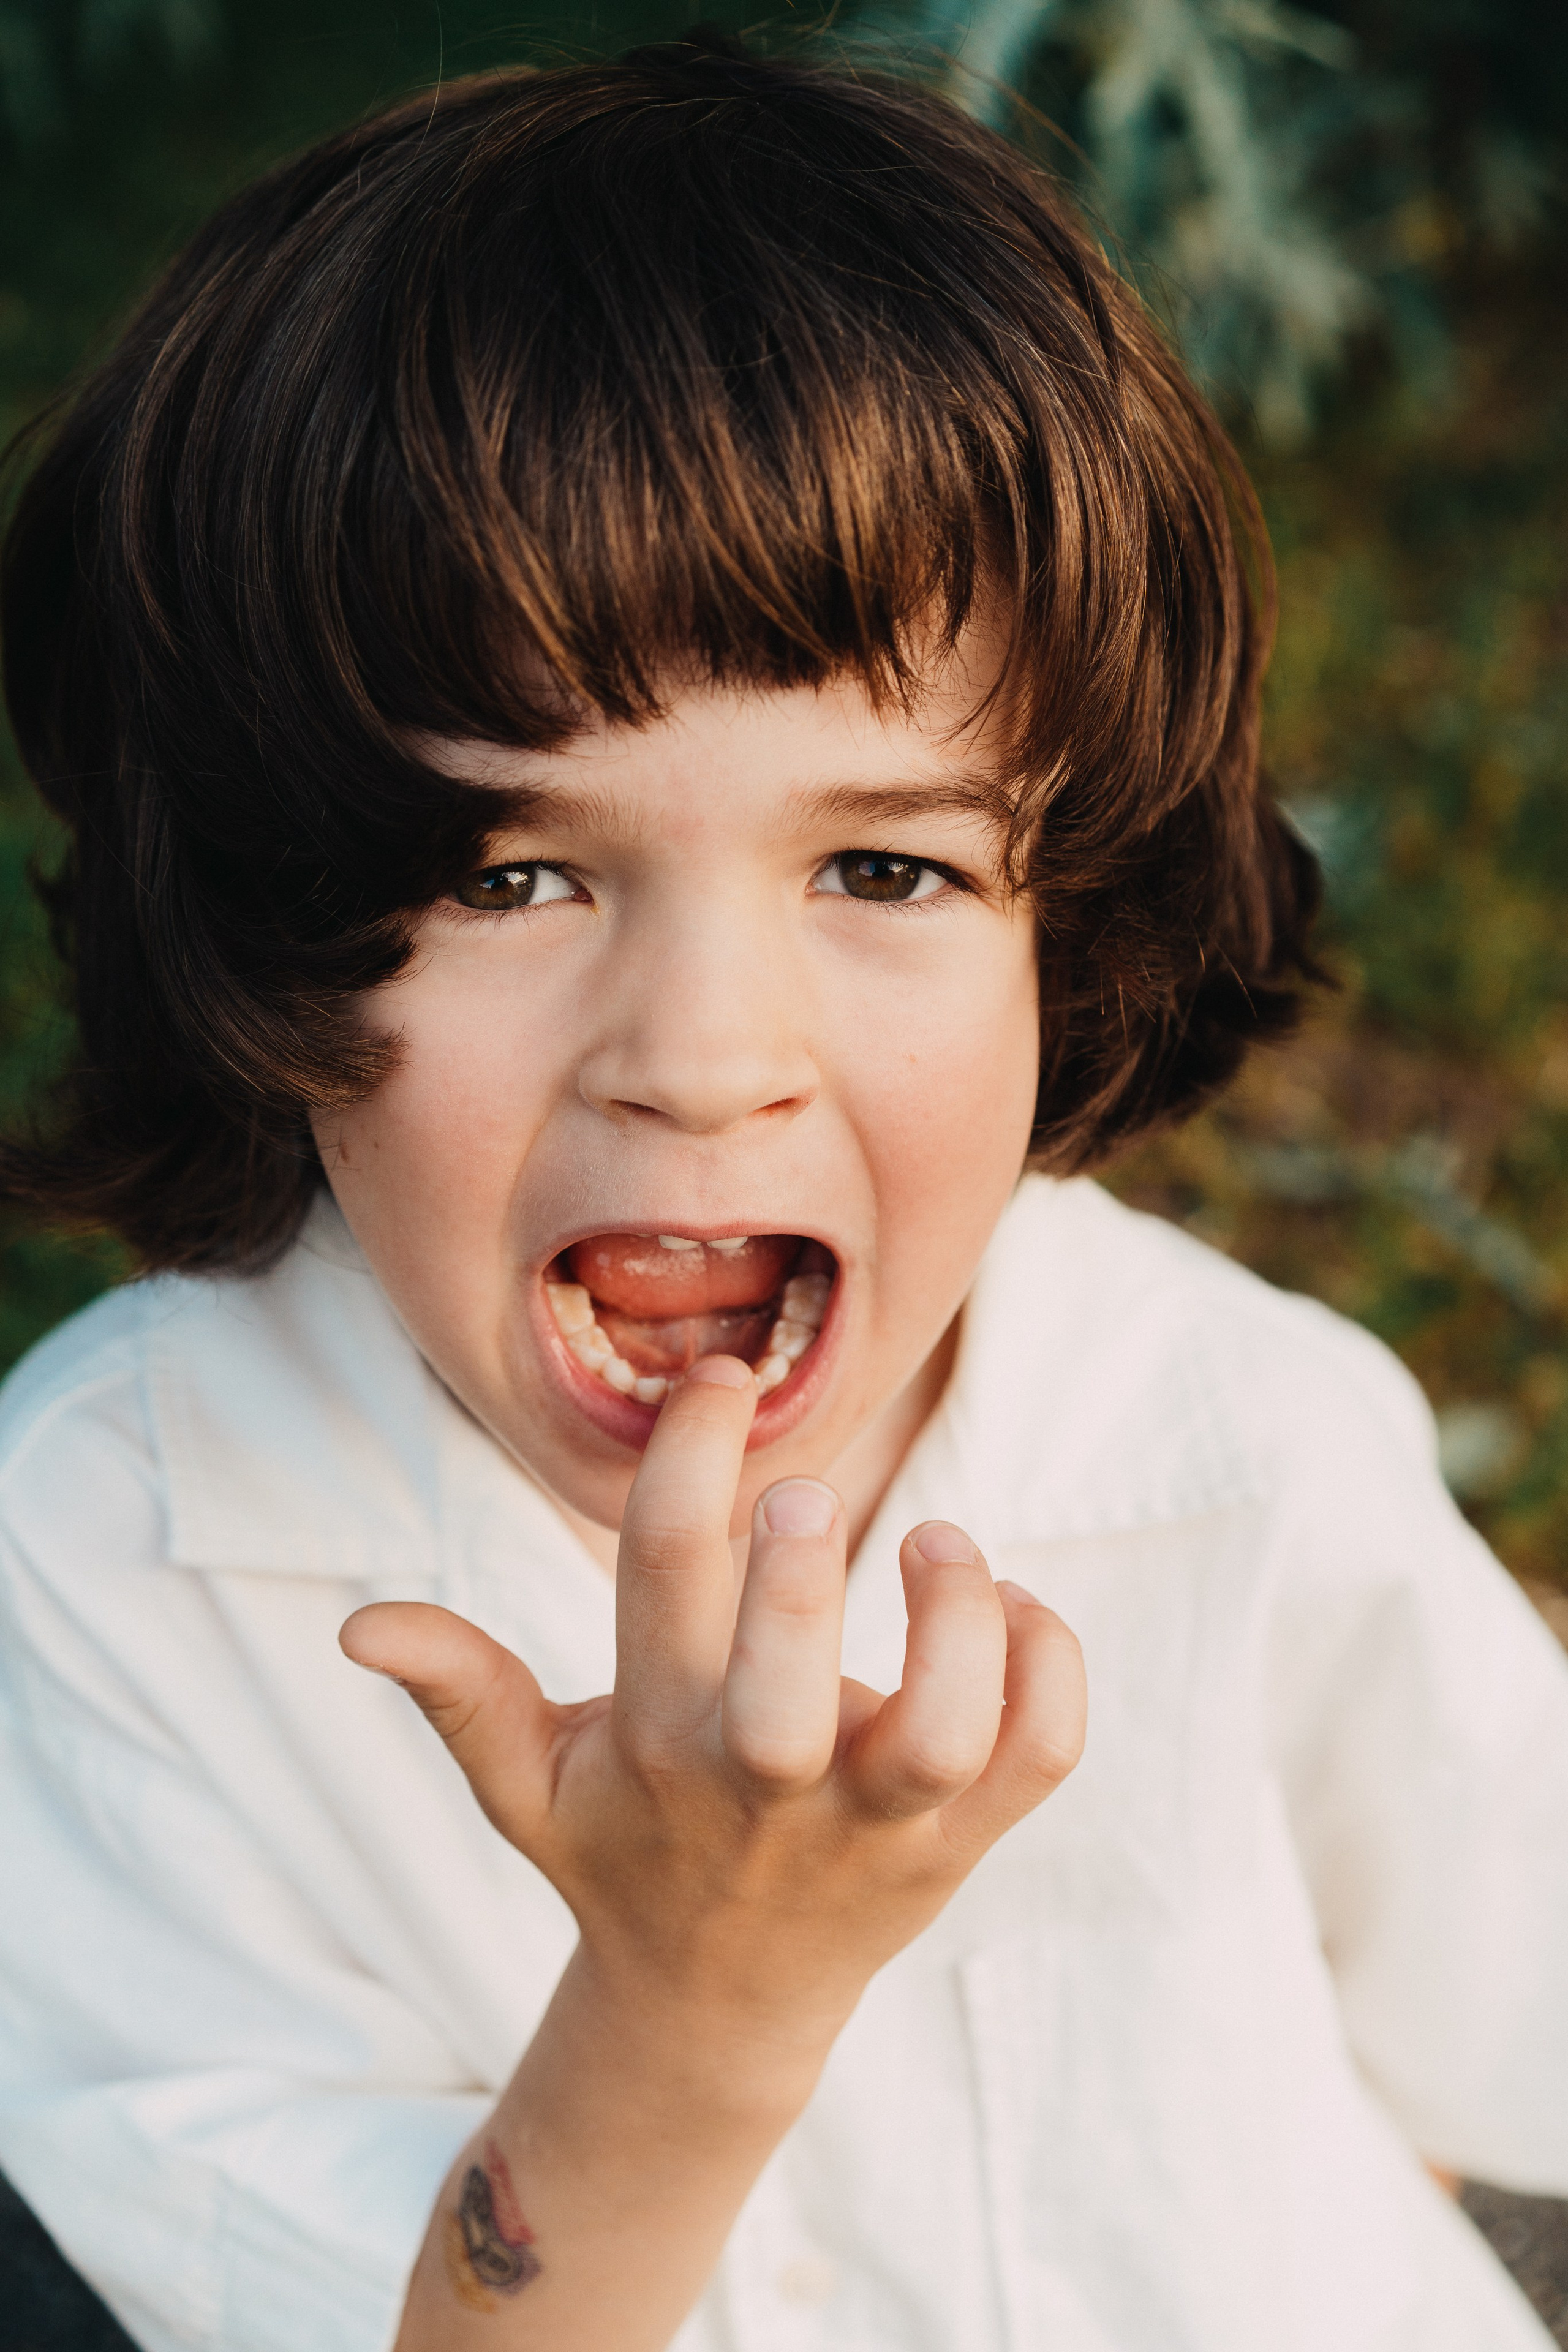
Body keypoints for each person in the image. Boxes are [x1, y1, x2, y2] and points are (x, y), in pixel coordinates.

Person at [0, 34, 1564, 2352]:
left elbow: (1506, 2018)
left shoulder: (1238, 1440)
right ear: (249, 917)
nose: (707, 1061)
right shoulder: (114, 1557)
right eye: (514, 870)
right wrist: (693, 1999)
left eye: (882, 863)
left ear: (1078, 921)